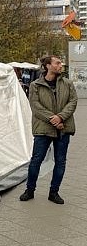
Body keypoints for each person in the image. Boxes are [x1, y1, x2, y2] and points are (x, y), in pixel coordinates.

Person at [19, 55, 77, 205]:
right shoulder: (35, 85)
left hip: (63, 128)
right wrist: (54, 119)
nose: (60, 65)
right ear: (48, 66)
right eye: (57, 63)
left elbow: (73, 102)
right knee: (36, 160)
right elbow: (35, 106)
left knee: (60, 161)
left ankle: (54, 192)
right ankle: (30, 190)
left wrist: (61, 117)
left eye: (60, 63)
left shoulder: (67, 83)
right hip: (43, 129)